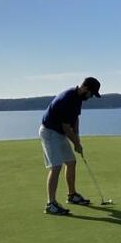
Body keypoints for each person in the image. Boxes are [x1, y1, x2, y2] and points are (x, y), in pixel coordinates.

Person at [39, 76, 101, 215]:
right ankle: (51, 204)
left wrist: (77, 137)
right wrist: (76, 144)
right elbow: (66, 127)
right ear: (85, 88)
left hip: (59, 132)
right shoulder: (67, 99)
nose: (90, 97)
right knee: (56, 167)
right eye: (91, 94)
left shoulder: (78, 98)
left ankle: (72, 195)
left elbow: (75, 119)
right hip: (49, 132)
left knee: (71, 162)